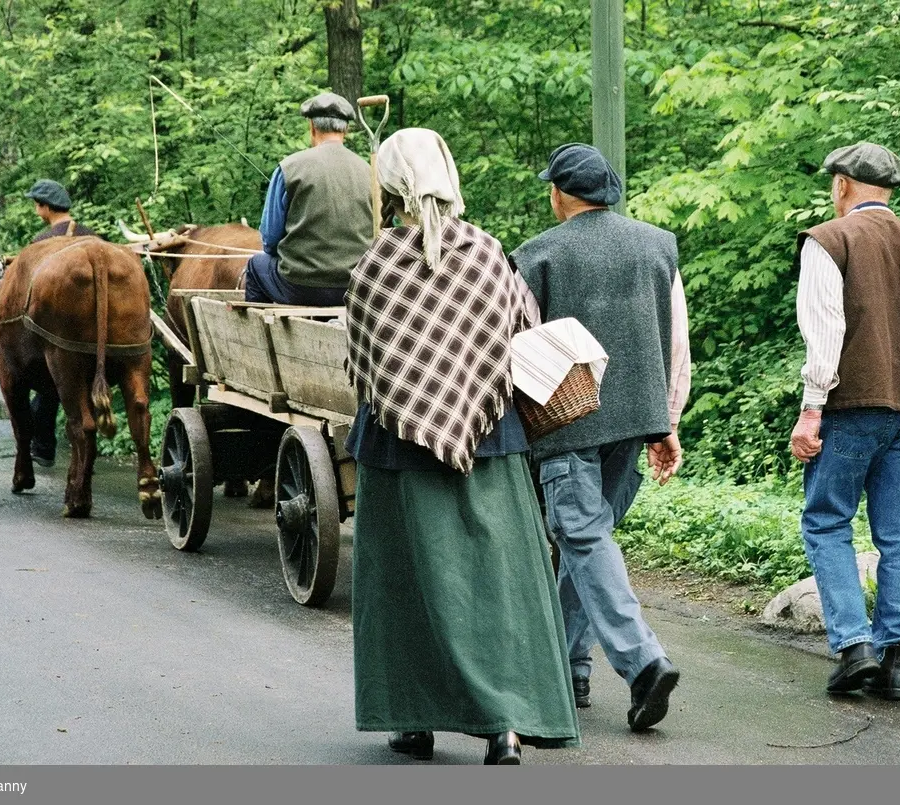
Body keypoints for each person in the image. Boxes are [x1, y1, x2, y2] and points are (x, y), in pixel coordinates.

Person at [345, 128, 580, 765]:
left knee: (405, 582)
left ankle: (413, 720)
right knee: (495, 581)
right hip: (489, 440)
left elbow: (364, 358)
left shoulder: (375, 264)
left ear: (388, 185)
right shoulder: (487, 253)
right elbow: (523, 330)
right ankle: (503, 726)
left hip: (398, 447)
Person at [510, 143, 690, 732]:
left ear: (561, 194)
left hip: (567, 422)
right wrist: (666, 421)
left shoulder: (537, 255)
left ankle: (643, 663)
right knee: (590, 543)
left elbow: (523, 348)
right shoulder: (658, 245)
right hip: (636, 421)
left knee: (582, 538)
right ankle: (568, 669)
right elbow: (675, 342)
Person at [789, 142, 900, 701]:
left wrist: (811, 406)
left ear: (842, 185)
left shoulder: (828, 240)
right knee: (899, 535)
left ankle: (853, 647)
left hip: (851, 406)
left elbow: (825, 328)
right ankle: (897, 661)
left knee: (825, 521)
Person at [245, 92, 372, 306]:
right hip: (357, 287)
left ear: (312, 127)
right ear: (346, 129)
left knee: (256, 266)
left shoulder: (289, 167)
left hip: (299, 287)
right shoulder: (370, 171)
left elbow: (269, 240)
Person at [24, 179, 99, 467]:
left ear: (44, 207)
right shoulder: (93, 238)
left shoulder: (41, 244)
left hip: (60, 333)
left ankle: (43, 446)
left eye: (36, 203)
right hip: (94, 330)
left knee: (47, 383)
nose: (35, 207)